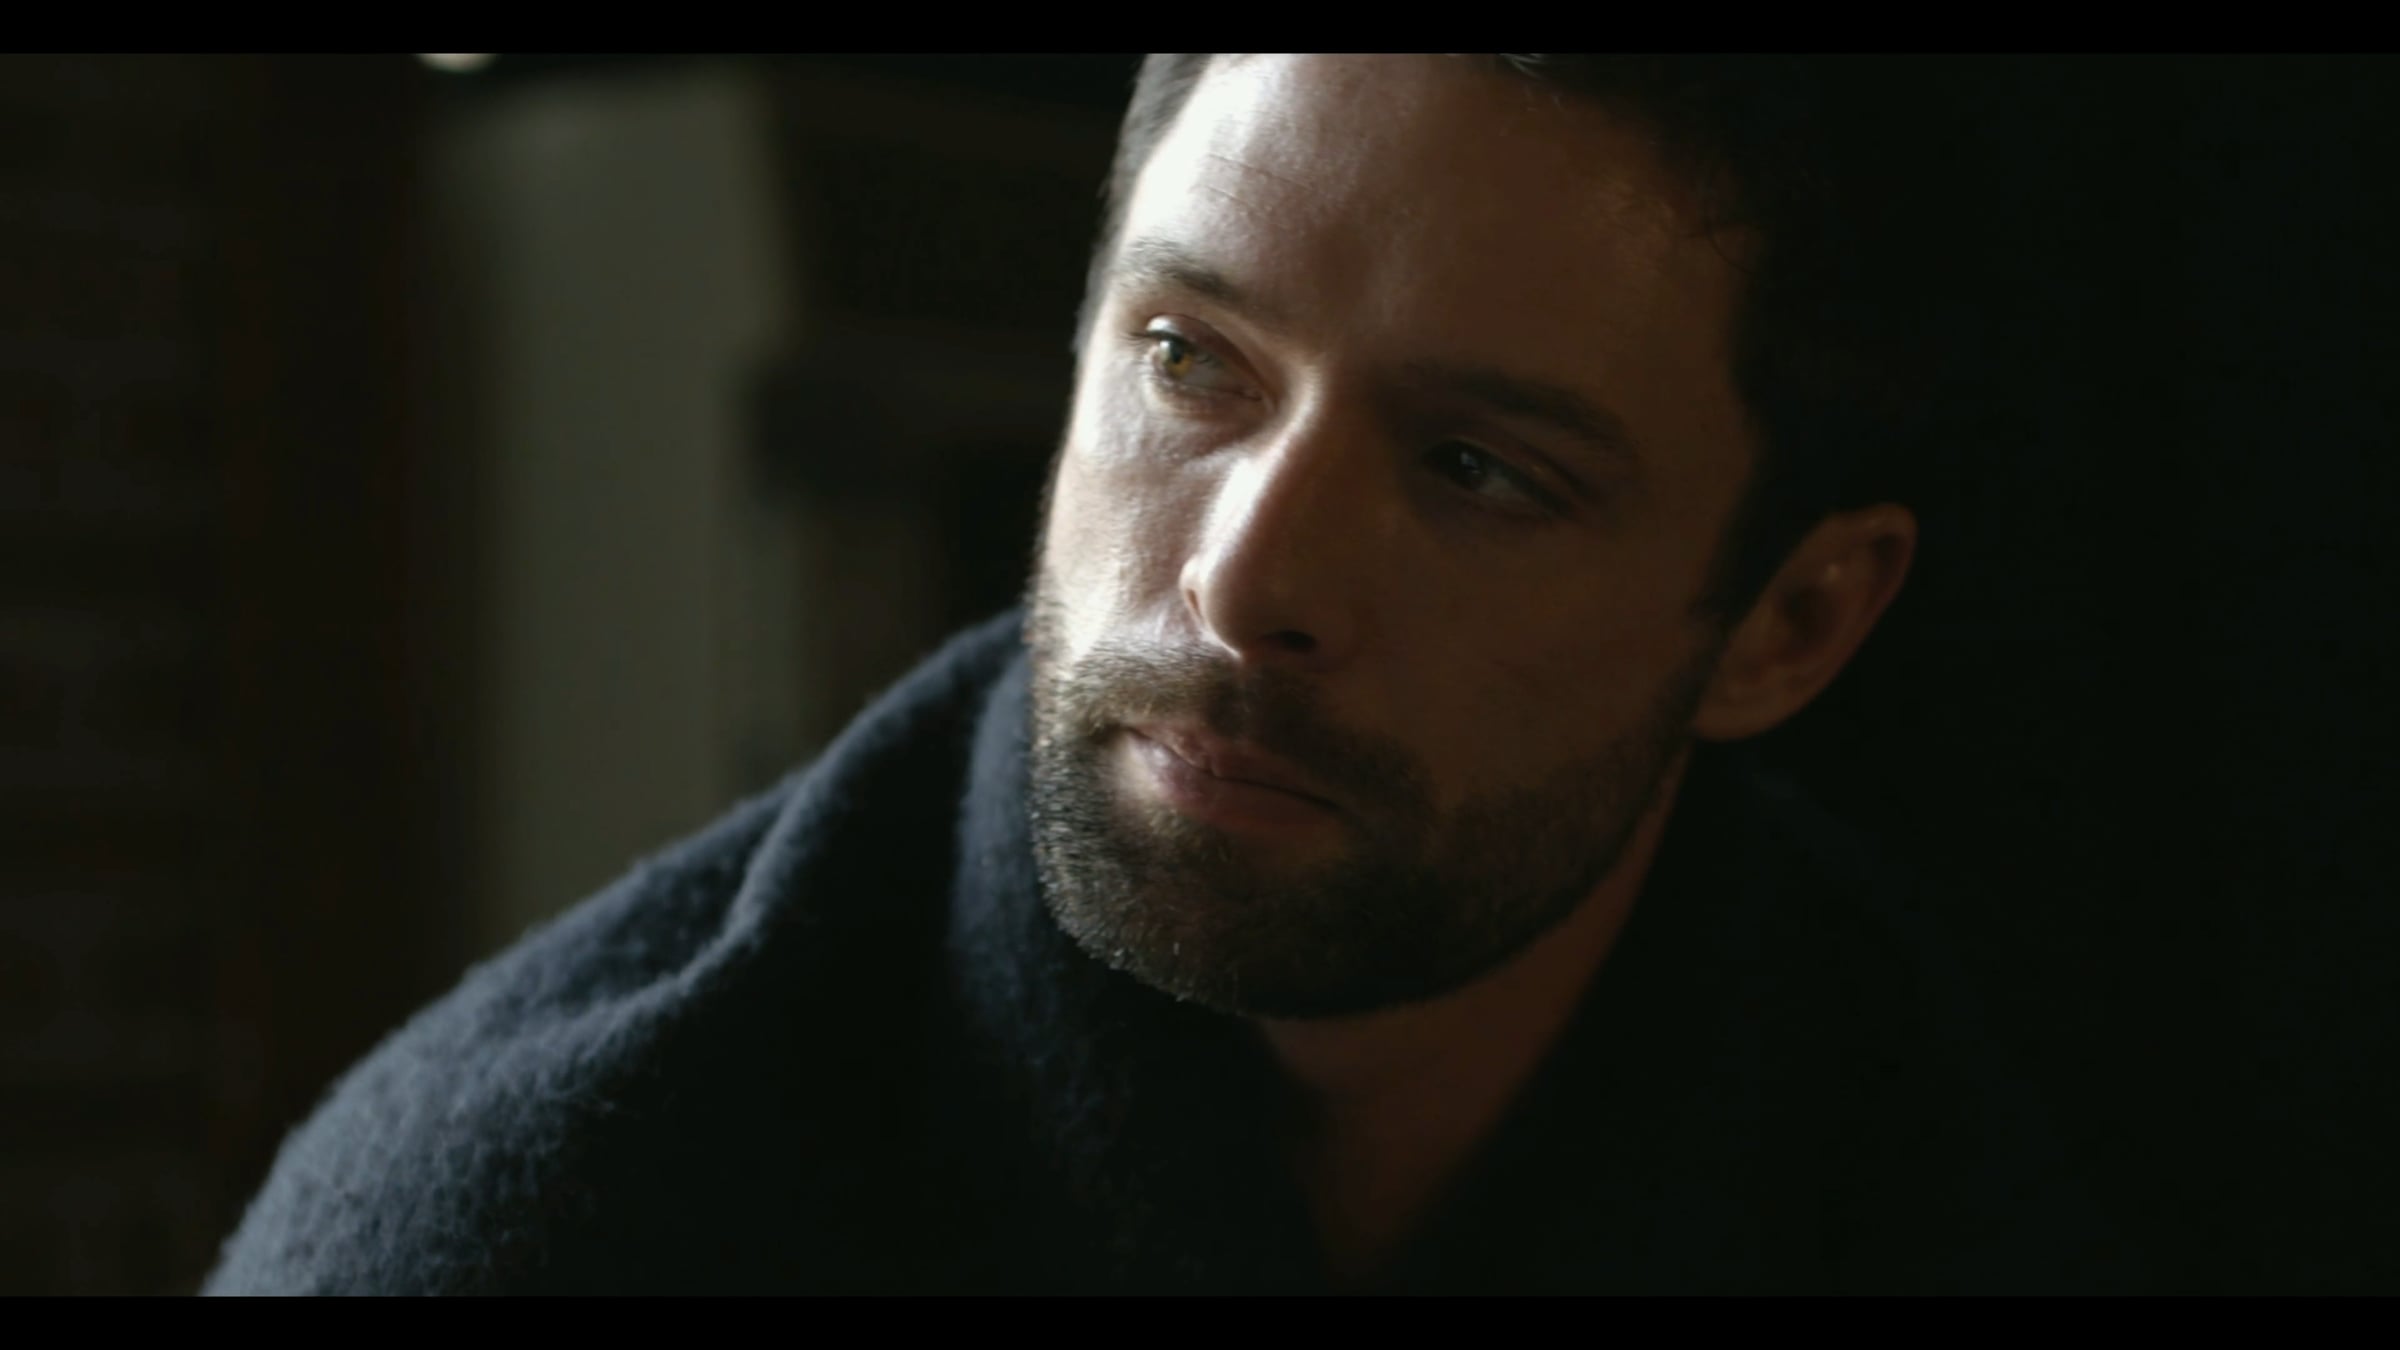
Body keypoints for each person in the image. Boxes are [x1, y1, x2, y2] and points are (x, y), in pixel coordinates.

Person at [205, 54, 2141, 1294]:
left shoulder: (1961, 1165)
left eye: (1479, 470)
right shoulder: (544, 1229)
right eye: (1187, 361)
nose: (1242, 581)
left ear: (1791, 625)